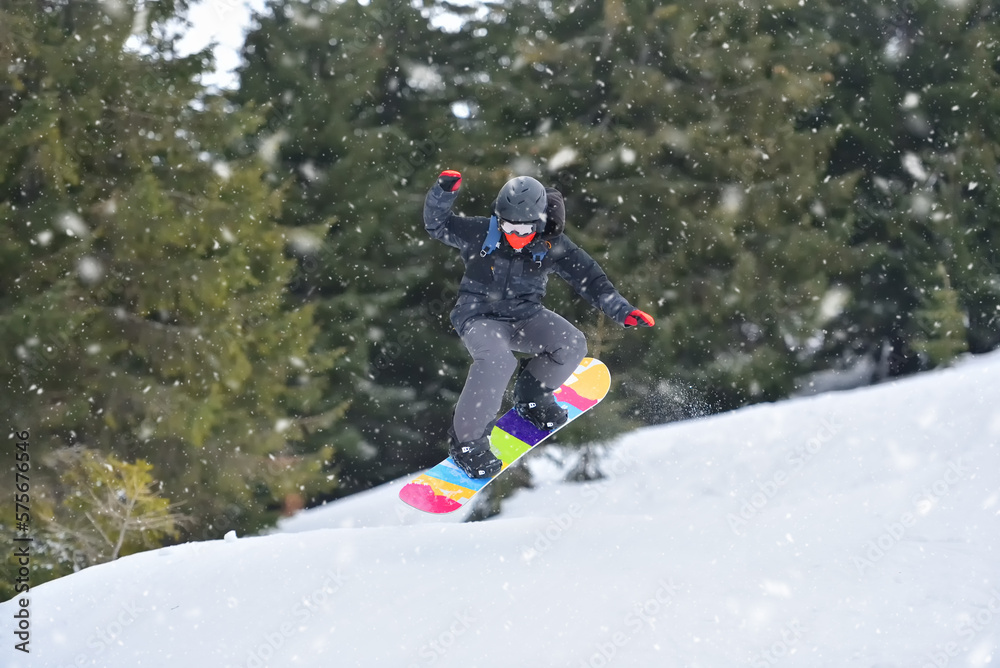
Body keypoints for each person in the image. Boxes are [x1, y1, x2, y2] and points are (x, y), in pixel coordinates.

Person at [424, 170, 655, 478]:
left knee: (571, 343)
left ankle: (532, 397)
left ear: (539, 222)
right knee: (497, 361)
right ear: (498, 219)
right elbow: (437, 224)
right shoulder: (480, 232)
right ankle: (467, 443)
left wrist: (622, 311)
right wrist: (443, 192)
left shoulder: (552, 244)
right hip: (479, 316)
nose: (515, 235)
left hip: (525, 316)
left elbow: (591, 279)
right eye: (508, 226)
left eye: (524, 228)